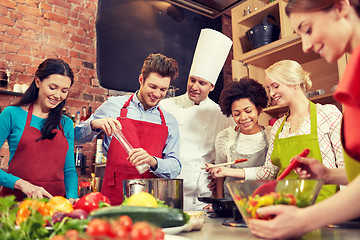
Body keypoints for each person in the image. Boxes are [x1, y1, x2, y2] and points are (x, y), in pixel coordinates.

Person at [248, 0, 360, 238]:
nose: (306, 46)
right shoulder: (353, 78)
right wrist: (328, 175)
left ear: (341, 7)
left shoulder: (329, 112)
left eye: (308, 29)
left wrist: (303, 219)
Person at [214, 60, 344, 203]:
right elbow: (269, 172)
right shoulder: (279, 127)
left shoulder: (327, 114)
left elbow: (345, 165)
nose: (272, 93)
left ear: (294, 83)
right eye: (269, 88)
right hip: (286, 204)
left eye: (275, 86)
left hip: (323, 204)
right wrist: (226, 171)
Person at [74, 53, 181, 205]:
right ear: (141, 80)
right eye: (153, 86)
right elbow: (75, 137)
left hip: (150, 200)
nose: (157, 94)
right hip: (113, 196)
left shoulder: (169, 122)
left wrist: (153, 161)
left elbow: (175, 166)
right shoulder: (113, 106)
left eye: (163, 90)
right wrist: (94, 124)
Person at [159, 28, 234, 210]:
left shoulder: (222, 114)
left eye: (202, 83)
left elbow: (228, 157)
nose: (195, 86)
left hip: (204, 193)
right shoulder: (166, 107)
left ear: (212, 86)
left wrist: (219, 185)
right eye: (192, 80)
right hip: (169, 188)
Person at [0, 58, 79, 203]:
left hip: (54, 206)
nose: (57, 95)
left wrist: (73, 196)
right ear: (38, 82)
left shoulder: (66, 124)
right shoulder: (12, 114)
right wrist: (21, 184)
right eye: (52, 87)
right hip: (17, 204)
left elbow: (69, 170)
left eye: (64, 90)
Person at [206, 77, 269, 198]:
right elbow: (220, 175)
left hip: (264, 201)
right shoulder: (225, 136)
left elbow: (271, 172)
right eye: (236, 114)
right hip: (232, 202)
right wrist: (220, 202)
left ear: (259, 109)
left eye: (248, 111)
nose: (243, 117)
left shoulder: (271, 134)